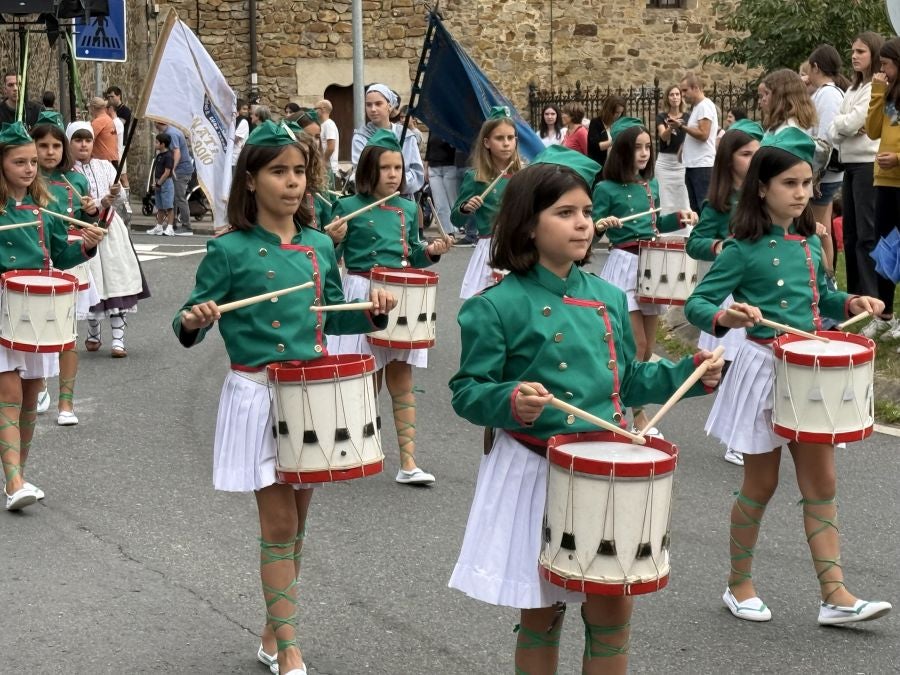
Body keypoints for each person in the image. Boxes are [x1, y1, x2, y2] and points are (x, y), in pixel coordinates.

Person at [449, 146, 724, 674]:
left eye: (586, 212)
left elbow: (628, 381)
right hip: (537, 466)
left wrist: (689, 374)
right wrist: (510, 401)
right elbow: (467, 390)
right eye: (565, 213)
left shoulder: (607, 296)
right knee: (542, 611)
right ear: (528, 226)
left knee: (612, 610)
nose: (582, 224)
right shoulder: (493, 305)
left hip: (605, 467)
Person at [174, 120, 395, 675]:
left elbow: (333, 311)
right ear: (251, 180)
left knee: (297, 523)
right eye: (278, 172)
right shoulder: (228, 249)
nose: (293, 182)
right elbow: (187, 319)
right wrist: (195, 319)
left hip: (309, 395)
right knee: (277, 526)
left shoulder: (319, 244)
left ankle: (274, 630)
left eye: (299, 171)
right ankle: (289, 648)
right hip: (257, 394)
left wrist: (373, 311)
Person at [684, 127, 891, 627]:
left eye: (807, 184)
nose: (802, 194)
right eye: (790, 184)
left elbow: (822, 299)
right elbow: (697, 303)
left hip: (808, 371)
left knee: (822, 482)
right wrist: (726, 316)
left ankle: (835, 595)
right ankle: (739, 584)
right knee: (761, 483)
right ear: (762, 188)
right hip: (763, 371)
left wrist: (852, 301)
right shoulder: (741, 249)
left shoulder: (808, 245)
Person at [327, 129, 452, 486]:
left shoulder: (408, 208)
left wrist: (430, 252)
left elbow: (412, 254)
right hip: (362, 290)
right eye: (386, 168)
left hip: (400, 295)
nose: (394, 174)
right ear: (370, 170)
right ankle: (353, 451)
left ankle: (408, 463)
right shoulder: (347, 206)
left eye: (398, 167)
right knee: (365, 379)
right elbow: (329, 257)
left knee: (402, 378)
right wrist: (330, 240)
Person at [0, 121, 104, 510]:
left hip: (38, 306)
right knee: (8, 393)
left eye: (32, 162)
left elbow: (61, 254)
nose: (30, 168)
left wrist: (87, 246)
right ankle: (14, 482)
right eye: (20, 162)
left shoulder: (48, 205)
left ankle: (17, 476)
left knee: (30, 395)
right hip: (3, 302)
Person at [593, 117, 698, 435]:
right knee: (634, 345)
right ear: (622, 151)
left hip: (651, 263)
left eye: (647, 147)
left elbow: (654, 225)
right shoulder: (605, 188)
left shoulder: (650, 185)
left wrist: (678, 218)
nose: (644, 153)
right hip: (624, 264)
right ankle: (635, 415)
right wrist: (601, 225)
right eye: (637, 147)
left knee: (648, 347)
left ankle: (624, 402)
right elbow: (589, 234)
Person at [686, 118, 764, 465]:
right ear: (728, 159)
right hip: (731, 293)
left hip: (758, 289)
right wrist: (719, 246)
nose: (753, 159)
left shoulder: (764, 196)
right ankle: (734, 437)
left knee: (756, 364)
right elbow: (695, 243)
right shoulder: (718, 203)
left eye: (758, 153)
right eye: (746, 154)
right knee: (732, 366)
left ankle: (748, 432)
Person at [31, 112, 103, 427]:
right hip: (32, 267)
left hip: (65, 262)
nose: (50, 151)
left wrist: (92, 216)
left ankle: (66, 402)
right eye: (43, 145)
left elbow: (83, 225)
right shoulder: (25, 181)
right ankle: (39, 387)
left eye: (56, 145)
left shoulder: (75, 180)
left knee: (66, 335)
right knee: (32, 333)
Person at [68, 121, 150, 357]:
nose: (84, 145)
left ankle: (118, 339)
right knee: (92, 282)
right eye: (78, 140)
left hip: (112, 230)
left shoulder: (105, 165)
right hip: (86, 231)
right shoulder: (66, 174)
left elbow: (121, 198)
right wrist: (100, 202)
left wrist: (116, 193)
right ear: (69, 143)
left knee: (116, 281)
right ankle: (93, 331)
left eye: (88, 140)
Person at [830, 32, 883, 302]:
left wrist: (846, 125)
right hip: (849, 165)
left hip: (866, 165)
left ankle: (871, 293)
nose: (854, 56)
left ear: (874, 54)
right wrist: (846, 126)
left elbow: (851, 123)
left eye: (861, 51)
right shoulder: (852, 89)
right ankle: (853, 295)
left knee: (866, 234)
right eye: (852, 51)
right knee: (850, 235)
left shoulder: (874, 88)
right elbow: (835, 129)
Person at [451, 107, 522, 299]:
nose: (506, 143)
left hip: (520, 247)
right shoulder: (475, 178)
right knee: (488, 304)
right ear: (486, 142)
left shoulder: (524, 176)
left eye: (511, 138)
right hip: (490, 249)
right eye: (499, 138)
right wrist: (465, 208)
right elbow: (455, 219)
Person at [863, 36, 900, 340]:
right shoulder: (887, 94)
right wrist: (877, 92)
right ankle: (885, 314)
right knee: (884, 248)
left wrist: (898, 158)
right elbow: (873, 130)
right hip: (884, 181)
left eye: (886, 64)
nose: (882, 70)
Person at [807, 45, 851, 277]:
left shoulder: (828, 94)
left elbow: (824, 141)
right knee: (822, 229)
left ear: (816, 67)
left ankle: (823, 278)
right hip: (824, 173)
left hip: (823, 174)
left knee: (816, 229)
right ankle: (827, 277)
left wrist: (814, 175)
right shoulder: (826, 93)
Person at [350, 83, 424, 198]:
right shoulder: (361, 137)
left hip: (402, 199)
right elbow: (362, 172)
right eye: (369, 105)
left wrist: (396, 184)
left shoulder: (406, 136)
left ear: (389, 106)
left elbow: (417, 174)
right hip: (373, 200)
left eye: (378, 104)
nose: (373, 109)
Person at [677, 72, 719, 212]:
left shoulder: (704, 106)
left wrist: (681, 127)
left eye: (685, 90)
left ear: (695, 87)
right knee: (696, 209)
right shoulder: (697, 107)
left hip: (702, 166)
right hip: (694, 165)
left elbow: (703, 134)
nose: (683, 95)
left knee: (704, 208)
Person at [655, 85, 691, 213]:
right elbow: (663, 137)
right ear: (667, 98)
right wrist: (671, 127)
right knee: (664, 197)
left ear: (681, 97)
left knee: (683, 197)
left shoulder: (687, 117)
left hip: (681, 162)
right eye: (671, 94)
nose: (675, 97)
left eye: (677, 94)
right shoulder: (661, 117)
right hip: (664, 163)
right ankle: (665, 223)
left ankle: (684, 223)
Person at [154, 121, 193, 235]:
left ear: (158, 122)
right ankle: (172, 224)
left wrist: (172, 169)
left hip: (181, 170)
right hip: (180, 169)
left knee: (179, 197)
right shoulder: (171, 132)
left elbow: (177, 152)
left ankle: (186, 226)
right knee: (173, 198)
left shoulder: (171, 133)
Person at [424, 132, 460, 238]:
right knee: (439, 202)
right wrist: (425, 167)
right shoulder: (433, 128)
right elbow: (428, 148)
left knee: (452, 201)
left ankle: (457, 226)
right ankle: (448, 232)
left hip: (450, 166)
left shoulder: (452, 128)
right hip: (433, 168)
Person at [148, 133, 175, 236]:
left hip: (166, 183)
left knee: (169, 206)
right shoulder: (159, 155)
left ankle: (170, 227)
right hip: (158, 183)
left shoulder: (168, 156)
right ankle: (159, 227)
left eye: (157, 142)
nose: (155, 144)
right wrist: (155, 182)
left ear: (163, 144)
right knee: (160, 207)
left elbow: (167, 172)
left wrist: (158, 183)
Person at [586, 95, 625, 166]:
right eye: (616, 112)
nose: (619, 115)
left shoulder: (620, 123)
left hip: (617, 166)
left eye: (621, 113)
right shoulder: (596, 123)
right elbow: (595, 146)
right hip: (600, 166)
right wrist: (615, 141)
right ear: (608, 111)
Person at [315, 99, 339, 187]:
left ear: (323, 109)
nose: (314, 111)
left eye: (316, 109)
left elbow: (331, 147)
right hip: (325, 167)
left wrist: (323, 162)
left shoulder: (329, 124)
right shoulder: (324, 124)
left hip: (328, 168)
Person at [88, 96, 118, 165]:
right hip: (111, 159)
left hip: (104, 161)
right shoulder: (107, 119)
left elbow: (89, 139)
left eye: (90, 108)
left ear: (93, 108)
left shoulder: (99, 121)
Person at [233, 98, 251, 172]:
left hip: (235, 157)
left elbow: (235, 139)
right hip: (231, 157)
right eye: (244, 109)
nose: (246, 111)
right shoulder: (235, 120)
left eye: (246, 109)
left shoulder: (243, 121)